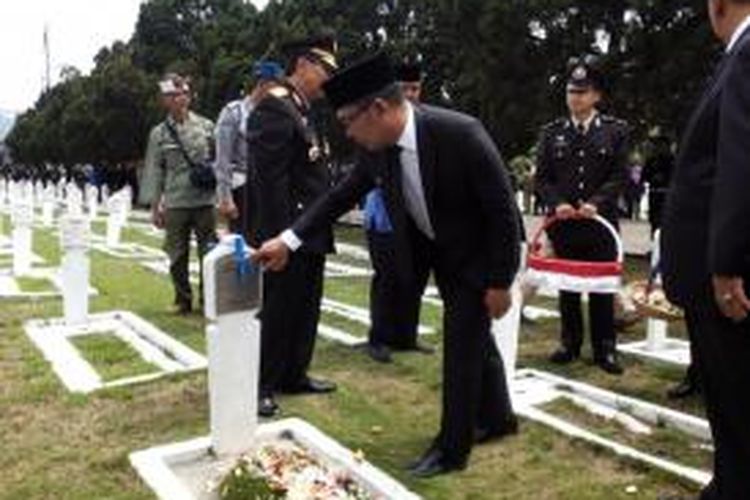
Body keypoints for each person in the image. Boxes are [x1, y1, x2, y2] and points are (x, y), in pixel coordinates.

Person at [254, 52, 521, 477]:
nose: (347, 132)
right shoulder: (378, 149)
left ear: (378, 109)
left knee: (461, 345)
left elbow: (504, 213)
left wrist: (500, 282)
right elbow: (338, 197)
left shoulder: (461, 134)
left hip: (477, 256)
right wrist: (288, 240)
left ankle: (452, 449)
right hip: (432, 251)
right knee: (476, 339)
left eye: (348, 122)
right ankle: (499, 417)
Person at [661, 0, 750, 497]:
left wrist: (725, 265)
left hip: (727, 284)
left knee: (735, 410)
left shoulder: (747, 54)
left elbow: (740, 163)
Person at [247, 35, 339, 418]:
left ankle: (294, 373)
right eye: (325, 69)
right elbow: (270, 185)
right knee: (278, 309)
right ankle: (261, 385)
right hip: (286, 230)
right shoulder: (274, 108)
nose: (329, 78)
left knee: (305, 307)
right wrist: (279, 238)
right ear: (302, 65)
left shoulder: (302, 109)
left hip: (309, 228)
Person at [536, 58, 630, 375]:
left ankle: (606, 349)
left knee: (602, 289)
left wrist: (598, 202)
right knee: (568, 288)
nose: (574, 97)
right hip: (565, 226)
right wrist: (558, 202)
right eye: (570, 91)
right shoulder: (552, 133)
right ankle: (570, 343)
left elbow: (620, 176)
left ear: (596, 96)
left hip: (600, 226)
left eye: (582, 91)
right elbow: (543, 179)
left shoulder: (615, 132)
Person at [360, 60, 433, 364]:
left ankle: (407, 335)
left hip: (419, 214)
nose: (411, 94)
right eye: (404, 89)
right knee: (387, 276)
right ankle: (378, 338)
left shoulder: (428, 122)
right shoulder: (377, 122)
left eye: (415, 88)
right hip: (386, 214)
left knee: (416, 276)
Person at [140, 73, 217, 314]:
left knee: (210, 252)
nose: (180, 98)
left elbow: (221, 161)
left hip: (206, 199)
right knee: (176, 254)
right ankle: (182, 299)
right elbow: (154, 171)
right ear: (165, 100)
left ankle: (209, 299)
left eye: (183, 93)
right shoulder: (159, 134)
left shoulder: (207, 126)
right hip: (176, 201)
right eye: (173, 95)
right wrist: (155, 207)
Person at [213, 61, 283, 239]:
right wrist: (225, 198)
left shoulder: (277, 115)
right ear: (263, 84)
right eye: (276, 87)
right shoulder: (234, 113)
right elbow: (223, 159)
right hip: (241, 188)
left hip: (267, 190)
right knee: (242, 246)